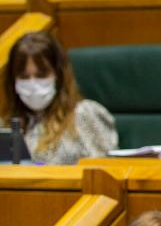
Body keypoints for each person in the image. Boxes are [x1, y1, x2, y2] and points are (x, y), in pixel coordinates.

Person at [5, 31, 117, 164]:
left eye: (41, 75)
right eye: (24, 77)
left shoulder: (84, 114)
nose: (32, 83)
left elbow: (105, 173)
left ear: (58, 75)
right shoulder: (6, 124)